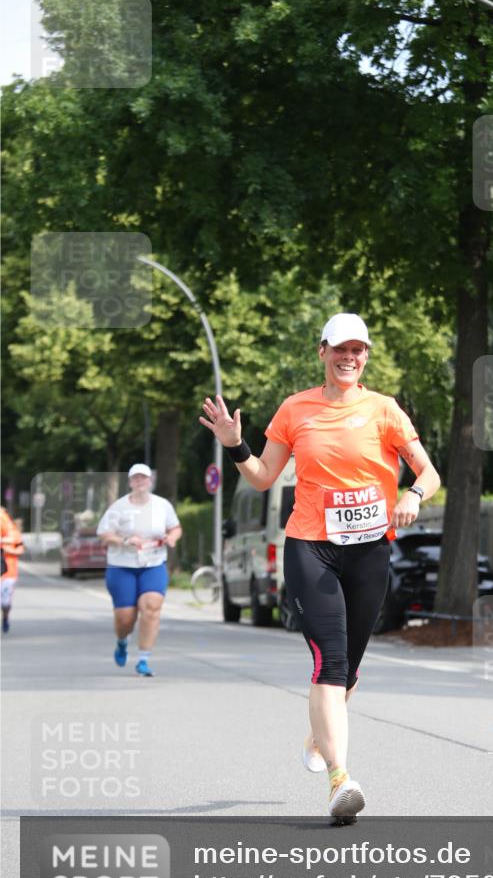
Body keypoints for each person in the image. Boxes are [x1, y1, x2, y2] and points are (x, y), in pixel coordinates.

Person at [200, 312, 440, 819]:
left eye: (358, 350)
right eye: (339, 349)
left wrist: (415, 494)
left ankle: (318, 733)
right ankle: (340, 780)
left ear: (366, 355)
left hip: (370, 547)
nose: (348, 358)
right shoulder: (296, 409)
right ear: (322, 353)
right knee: (329, 663)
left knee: (349, 669)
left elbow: (429, 472)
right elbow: (264, 477)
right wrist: (233, 445)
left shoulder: (385, 410)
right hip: (311, 546)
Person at [96, 464, 182, 677]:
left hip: (153, 564)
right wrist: (125, 540)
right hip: (122, 566)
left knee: (151, 607)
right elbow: (104, 534)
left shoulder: (162, 505)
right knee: (126, 617)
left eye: (143, 478)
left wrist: (171, 538)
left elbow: (175, 528)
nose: (140, 482)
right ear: (130, 482)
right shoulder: (118, 507)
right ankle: (122, 641)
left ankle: (144, 659)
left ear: (150, 481)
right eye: (136, 478)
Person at [1, 506, 25, 634]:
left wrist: (8, 550)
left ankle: (5, 618)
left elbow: (20, 549)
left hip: (9, 573)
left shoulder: (14, 534)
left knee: (5, 603)